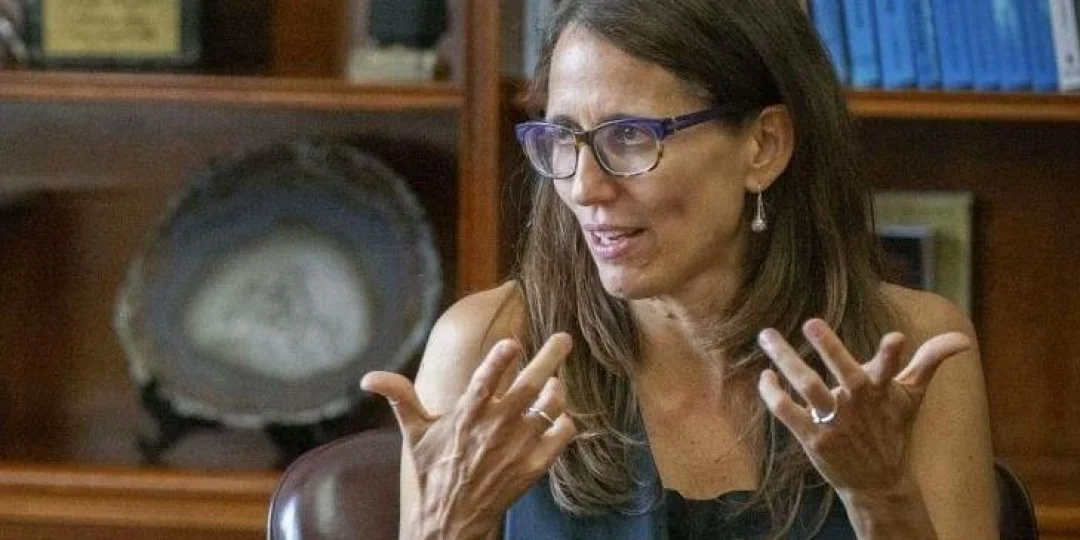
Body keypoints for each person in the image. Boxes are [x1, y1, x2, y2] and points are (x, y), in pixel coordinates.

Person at [361, 0, 997, 538]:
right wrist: (447, 525)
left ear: (764, 146)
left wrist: (883, 498)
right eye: (562, 138)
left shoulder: (910, 351)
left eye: (629, 136)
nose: (583, 188)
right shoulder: (486, 348)